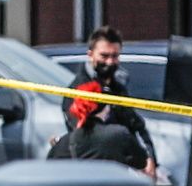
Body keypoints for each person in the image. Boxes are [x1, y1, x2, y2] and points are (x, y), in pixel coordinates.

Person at [60, 25, 157, 165]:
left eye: (115, 56)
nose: (110, 62)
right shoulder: (78, 90)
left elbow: (135, 124)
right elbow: (82, 135)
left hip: (123, 163)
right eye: (104, 56)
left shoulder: (117, 87)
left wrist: (150, 158)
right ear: (90, 54)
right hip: (94, 166)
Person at [51, 81, 153, 174]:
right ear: (105, 109)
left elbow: (50, 168)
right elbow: (141, 162)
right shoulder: (120, 135)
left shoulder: (64, 142)